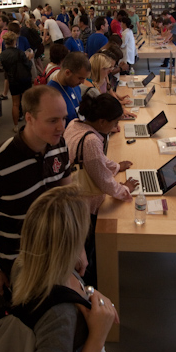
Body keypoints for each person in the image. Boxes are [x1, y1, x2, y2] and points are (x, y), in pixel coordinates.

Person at [0, 85, 72, 294]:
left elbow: (67, 198)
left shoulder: (59, 145)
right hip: (20, 262)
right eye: (53, 120)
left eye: (63, 118)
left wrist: (76, 246)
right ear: (29, 118)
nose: (61, 127)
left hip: (57, 251)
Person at [8, 185, 117, 352]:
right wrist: (97, 338)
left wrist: (87, 292)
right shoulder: (60, 315)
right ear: (70, 246)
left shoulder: (24, 265)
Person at [64, 94, 137, 285]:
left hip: (72, 196)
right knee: (88, 250)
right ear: (102, 121)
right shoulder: (92, 142)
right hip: (84, 205)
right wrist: (125, 190)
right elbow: (103, 181)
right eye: (114, 122)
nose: (115, 127)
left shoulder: (75, 124)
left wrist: (116, 166)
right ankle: (91, 287)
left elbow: (96, 162)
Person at [0, 31, 33, 132]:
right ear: (14, 41)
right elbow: (28, 65)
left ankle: (15, 126)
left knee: (15, 104)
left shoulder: (2, 55)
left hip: (12, 80)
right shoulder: (20, 53)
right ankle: (28, 124)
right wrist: (29, 58)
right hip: (25, 79)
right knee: (26, 102)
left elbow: (3, 68)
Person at [48, 52, 91, 126]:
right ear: (67, 73)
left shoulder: (74, 85)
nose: (82, 82)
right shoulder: (50, 94)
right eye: (80, 78)